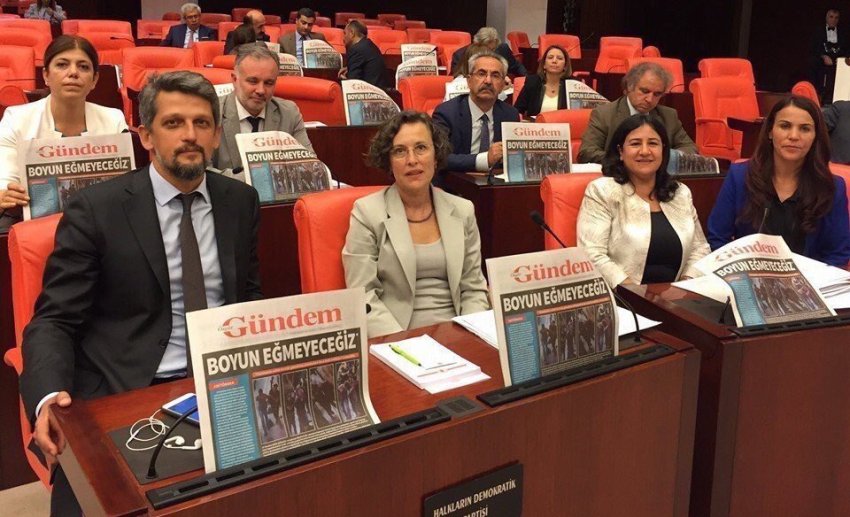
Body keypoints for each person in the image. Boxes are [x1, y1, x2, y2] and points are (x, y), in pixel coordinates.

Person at [19, 70, 262, 515]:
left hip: (220, 384)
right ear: (146, 135)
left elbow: (246, 299)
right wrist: (48, 395)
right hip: (125, 390)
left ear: (216, 135)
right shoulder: (97, 209)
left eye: (202, 123)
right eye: (173, 123)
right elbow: (54, 319)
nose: (190, 136)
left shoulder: (240, 201)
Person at [343, 111, 490, 337]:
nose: (412, 160)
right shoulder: (367, 213)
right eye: (400, 151)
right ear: (388, 161)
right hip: (397, 338)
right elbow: (363, 297)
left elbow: (473, 288)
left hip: (460, 334)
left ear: (435, 155)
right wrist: (403, 343)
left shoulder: (463, 210)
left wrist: (471, 337)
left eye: (421, 148)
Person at [0, 35, 127, 230]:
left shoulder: (113, 119)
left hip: (101, 225)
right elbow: (5, 180)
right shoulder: (16, 118)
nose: (73, 73)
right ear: (46, 76)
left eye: (83, 66)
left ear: (94, 80)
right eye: (62, 65)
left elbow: (123, 188)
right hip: (36, 226)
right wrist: (7, 193)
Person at [708, 95, 850, 266]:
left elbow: (837, 254)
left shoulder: (832, 187)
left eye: (805, 129)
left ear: (815, 137)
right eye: (785, 126)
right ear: (770, 131)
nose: (794, 136)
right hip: (748, 279)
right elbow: (717, 237)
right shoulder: (739, 176)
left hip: (807, 285)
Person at [577, 114, 710, 286]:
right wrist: (636, 296)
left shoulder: (680, 193)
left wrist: (684, 288)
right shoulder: (602, 191)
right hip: (625, 300)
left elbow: (700, 249)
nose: (645, 151)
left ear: (663, 149)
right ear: (620, 152)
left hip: (676, 299)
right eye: (635, 143)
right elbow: (591, 254)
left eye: (653, 143)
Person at [215, 45, 314, 172]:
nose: (261, 91)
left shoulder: (289, 113)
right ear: (235, 79)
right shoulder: (212, 112)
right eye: (253, 81)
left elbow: (310, 167)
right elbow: (202, 172)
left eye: (268, 83)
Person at [577, 62, 696, 164]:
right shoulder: (604, 114)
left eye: (657, 94)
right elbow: (587, 152)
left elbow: (690, 149)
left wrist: (661, 159)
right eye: (644, 91)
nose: (649, 99)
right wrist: (630, 160)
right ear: (629, 87)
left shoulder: (669, 116)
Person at [432, 51, 521, 172]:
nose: (488, 81)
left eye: (495, 75)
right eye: (481, 73)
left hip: (495, 184)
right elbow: (439, 157)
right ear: (469, 81)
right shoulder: (447, 113)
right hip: (456, 183)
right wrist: (485, 159)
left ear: (502, 85)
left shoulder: (510, 114)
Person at [514, 44, 572, 117]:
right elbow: (517, 110)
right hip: (536, 127)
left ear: (565, 66)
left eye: (559, 58)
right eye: (550, 58)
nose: (554, 61)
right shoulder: (532, 82)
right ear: (544, 64)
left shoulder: (572, 85)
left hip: (564, 127)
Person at [449, 27, 527, 77]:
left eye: (492, 49)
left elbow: (517, 66)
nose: (489, 53)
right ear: (476, 44)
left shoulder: (502, 49)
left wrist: (526, 80)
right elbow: (455, 77)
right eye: (485, 48)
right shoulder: (460, 54)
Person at [812, 8, 848, 103]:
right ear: (826, 18)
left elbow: (846, 49)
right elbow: (814, 48)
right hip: (821, 64)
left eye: (836, 18)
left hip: (838, 65)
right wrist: (823, 56)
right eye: (831, 17)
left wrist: (841, 60)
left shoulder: (844, 33)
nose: (833, 20)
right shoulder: (818, 31)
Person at [337, 20, 386, 88]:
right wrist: (350, 68)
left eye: (345, 33)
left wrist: (342, 79)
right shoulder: (370, 45)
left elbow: (353, 83)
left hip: (369, 93)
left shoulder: (355, 49)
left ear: (352, 33)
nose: (343, 38)